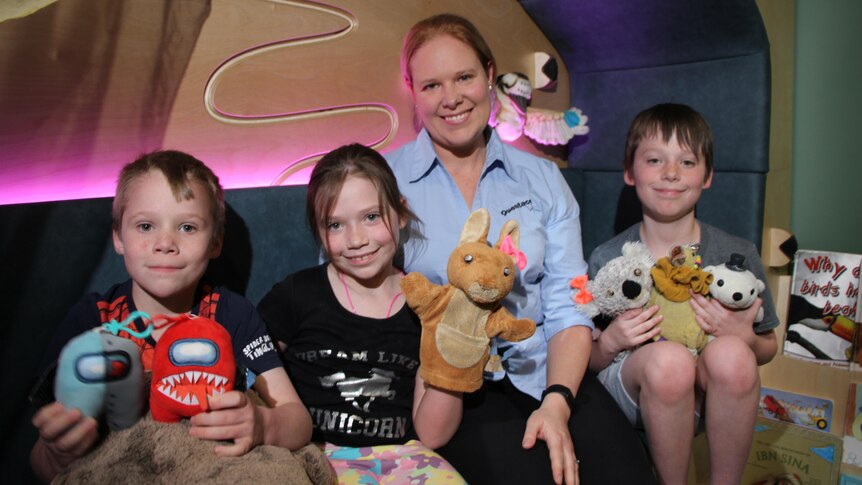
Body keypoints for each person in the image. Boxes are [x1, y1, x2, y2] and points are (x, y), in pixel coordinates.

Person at [386, 13, 656, 485]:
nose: (451, 98)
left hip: (548, 374)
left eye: (464, 77)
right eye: (431, 85)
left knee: (627, 473)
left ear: (490, 76)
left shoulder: (544, 180)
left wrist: (556, 402)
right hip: (451, 391)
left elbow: (568, 306)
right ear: (412, 91)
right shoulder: (385, 183)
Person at [30, 150, 312, 483]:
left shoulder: (232, 314)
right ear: (119, 237)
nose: (165, 243)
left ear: (215, 241)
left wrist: (264, 425)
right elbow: (40, 459)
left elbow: (297, 420)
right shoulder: (91, 320)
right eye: (145, 226)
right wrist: (58, 451)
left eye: (188, 227)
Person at [587, 103, 779, 484]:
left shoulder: (734, 254)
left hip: (706, 392)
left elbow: (768, 346)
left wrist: (744, 338)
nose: (671, 174)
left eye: (688, 162)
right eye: (655, 160)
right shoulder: (607, 258)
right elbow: (588, 361)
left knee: (733, 356)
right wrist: (611, 341)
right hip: (634, 389)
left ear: (707, 176)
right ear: (630, 172)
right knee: (669, 362)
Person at [258, 143, 466, 483]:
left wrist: (456, 349)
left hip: (399, 460)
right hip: (310, 457)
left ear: (401, 213)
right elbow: (250, 365)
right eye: (335, 225)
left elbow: (433, 435)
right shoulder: (297, 294)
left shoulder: (427, 305)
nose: (355, 240)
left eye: (371, 217)